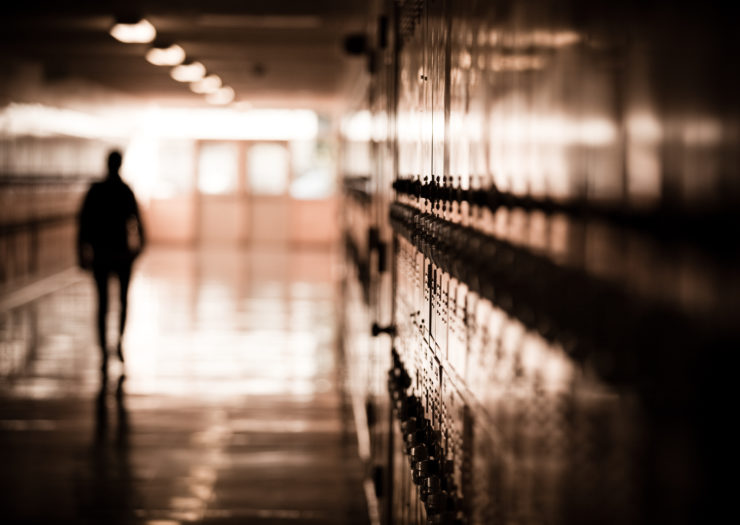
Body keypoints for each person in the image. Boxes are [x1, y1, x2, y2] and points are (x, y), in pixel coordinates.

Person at [77, 150, 145, 375]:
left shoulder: (96, 190)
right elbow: (139, 223)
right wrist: (138, 249)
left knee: (103, 303)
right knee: (123, 300)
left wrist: (82, 252)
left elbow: (83, 224)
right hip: (121, 253)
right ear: (120, 164)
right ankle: (118, 342)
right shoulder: (125, 190)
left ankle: (104, 351)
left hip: (101, 253)